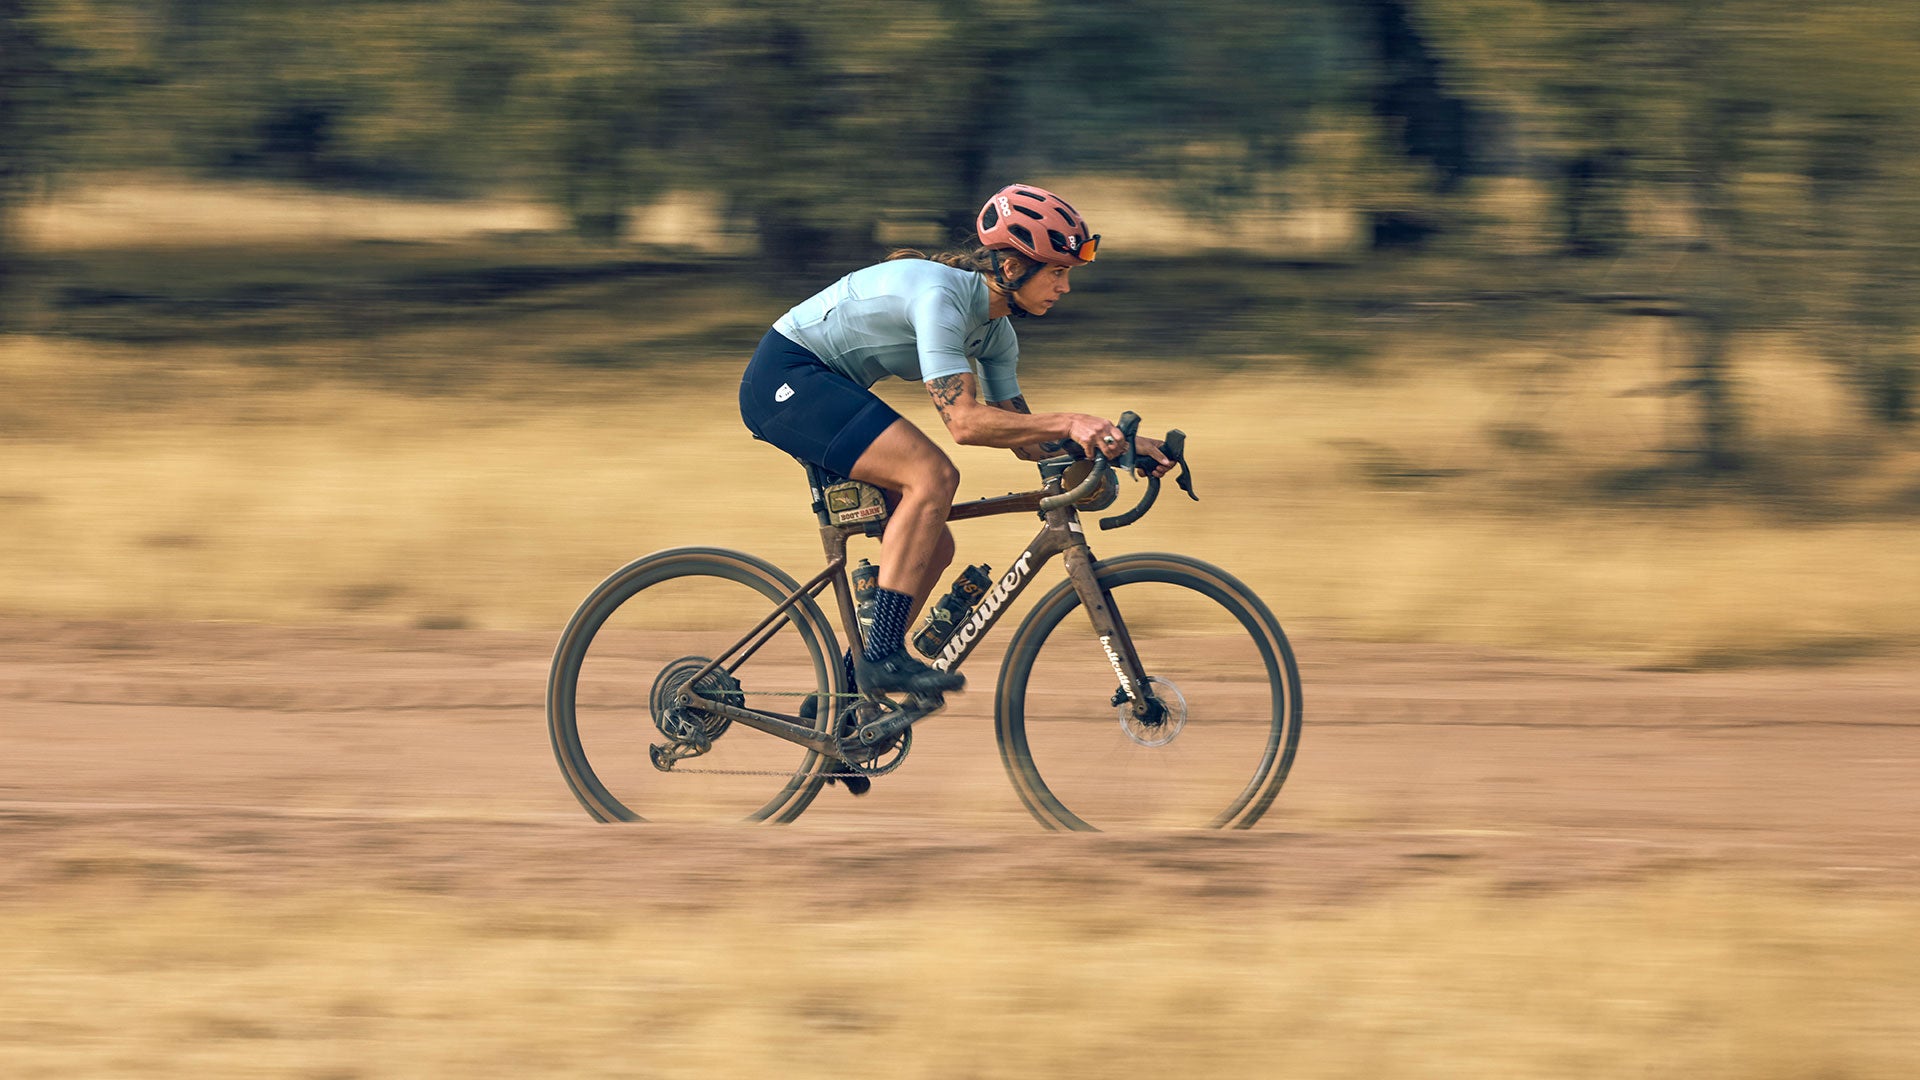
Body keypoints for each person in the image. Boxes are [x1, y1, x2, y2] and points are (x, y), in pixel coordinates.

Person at [739, 183, 1172, 700]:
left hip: (826, 389)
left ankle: (847, 696)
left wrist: (1117, 446)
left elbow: (1026, 441)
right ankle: (879, 662)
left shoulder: (995, 335)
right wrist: (1072, 420)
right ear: (1013, 269)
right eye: (1057, 271)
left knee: (934, 543)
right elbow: (965, 424)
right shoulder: (941, 297)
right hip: (786, 377)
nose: (1065, 287)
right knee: (934, 476)